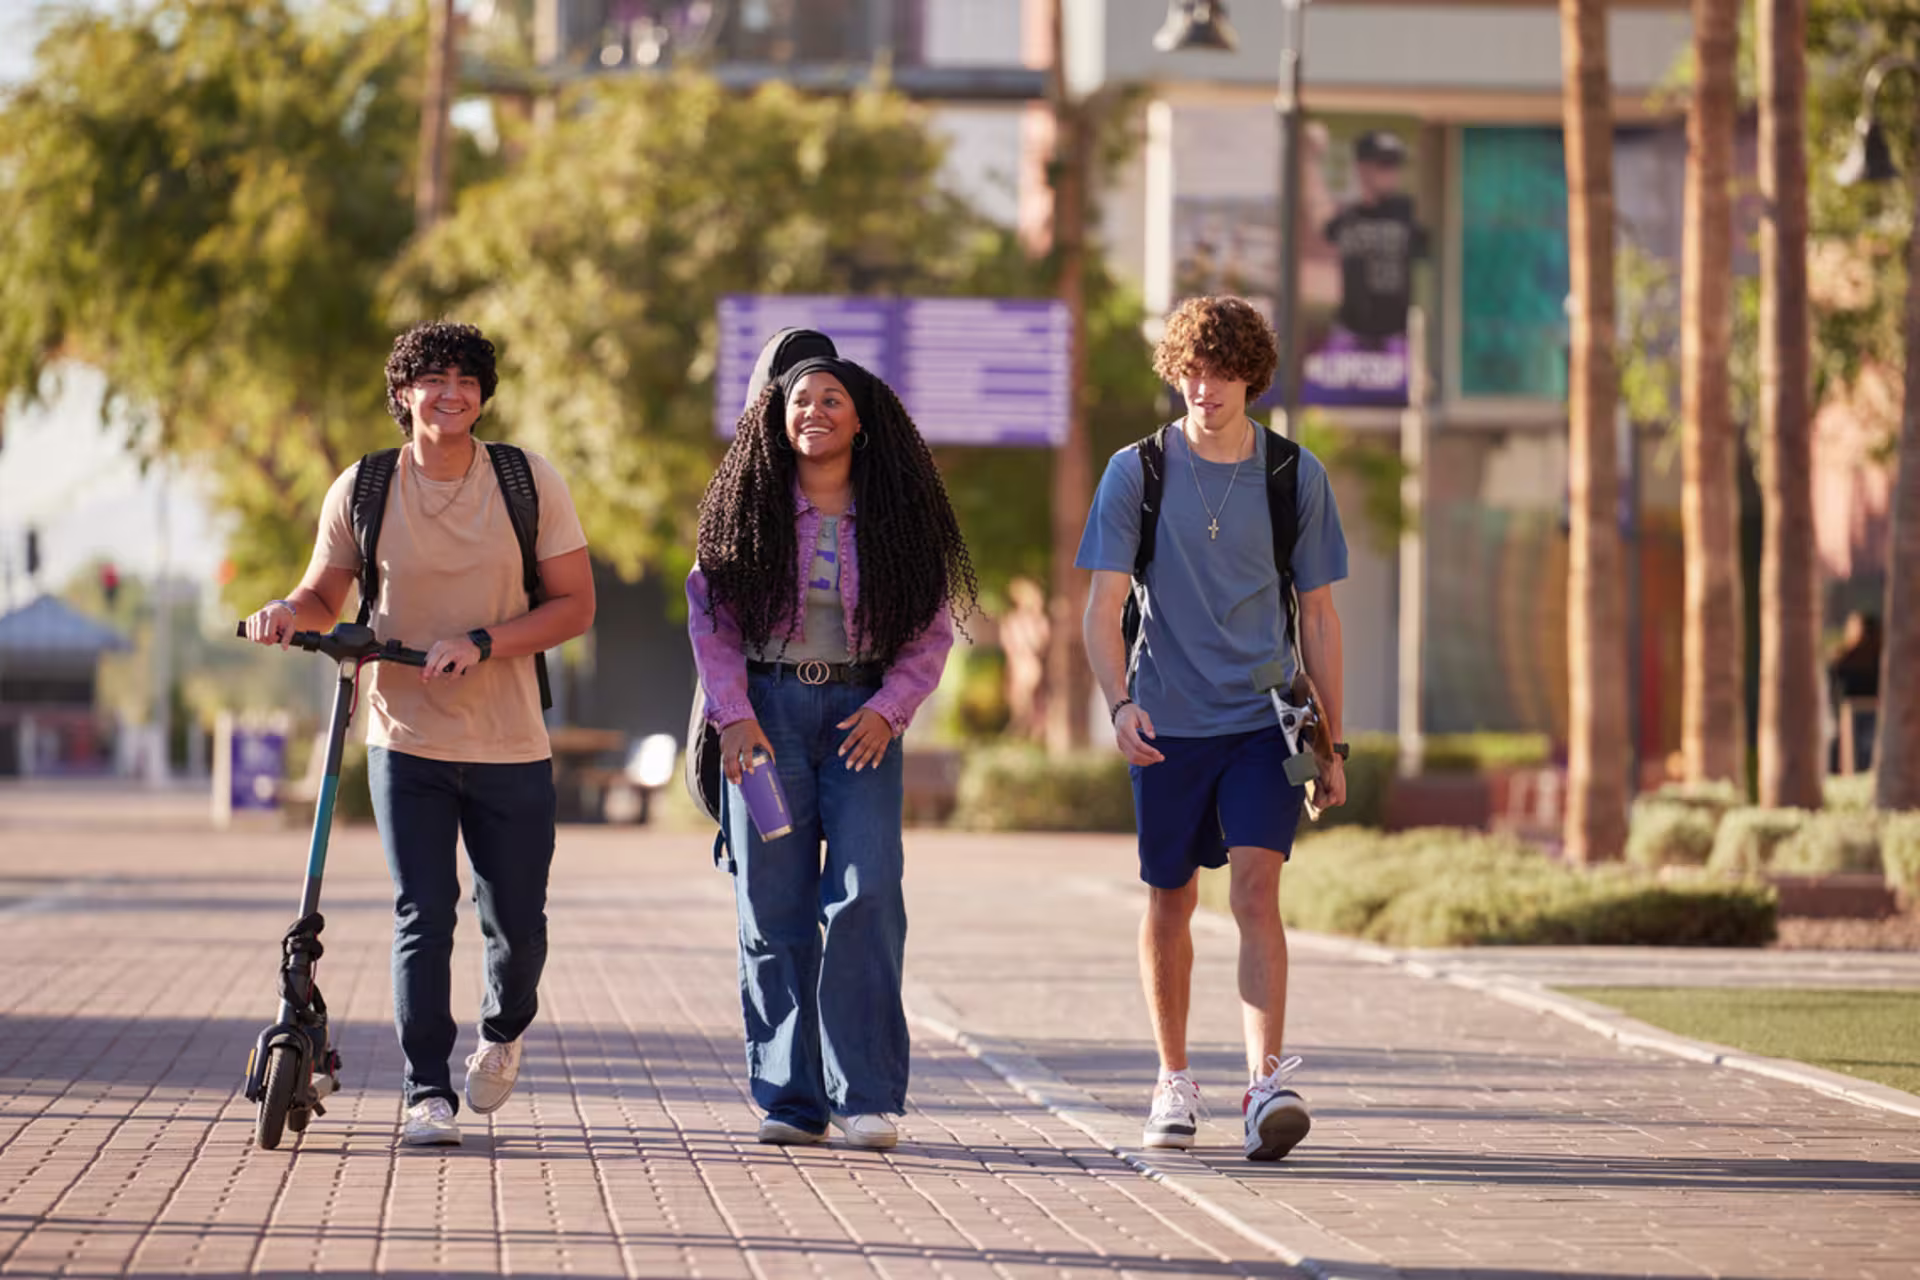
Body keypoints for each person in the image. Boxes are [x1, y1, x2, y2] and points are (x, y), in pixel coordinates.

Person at [242, 322, 594, 1147]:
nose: (451, 391)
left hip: (509, 741)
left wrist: (481, 643)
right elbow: (321, 598)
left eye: (466, 378)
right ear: (404, 395)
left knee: (518, 922)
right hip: (405, 736)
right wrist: (284, 615)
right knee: (423, 913)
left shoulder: (526, 480)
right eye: (432, 378)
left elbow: (574, 606)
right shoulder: (364, 488)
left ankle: (503, 1034)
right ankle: (425, 1091)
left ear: (483, 394)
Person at [1076, 295, 1350, 1162]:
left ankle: (1265, 1082)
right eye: (1192, 370)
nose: (1206, 386)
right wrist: (1120, 704)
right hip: (1167, 720)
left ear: (1252, 377)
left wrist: (1332, 744)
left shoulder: (1292, 476)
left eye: (1223, 371)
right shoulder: (1137, 472)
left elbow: (1321, 617)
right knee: (1170, 898)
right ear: (1176, 373)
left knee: (1256, 891)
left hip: (1263, 721)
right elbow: (1102, 606)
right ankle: (1173, 1081)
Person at [687, 354, 975, 1150]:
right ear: (779, 420)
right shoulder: (747, 510)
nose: (814, 409)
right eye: (799, 399)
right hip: (764, 723)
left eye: (831, 399)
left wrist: (891, 709)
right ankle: (791, 1098)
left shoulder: (898, 520)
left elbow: (929, 634)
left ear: (861, 419)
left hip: (860, 723)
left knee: (865, 894)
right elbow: (711, 624)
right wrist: (734, 717)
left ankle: (868, 1097)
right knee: (772, 908)